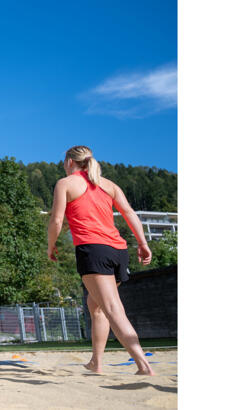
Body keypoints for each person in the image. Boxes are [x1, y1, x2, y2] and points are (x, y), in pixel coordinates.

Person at [47, 145, 154, 375]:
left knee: (113, 308)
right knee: (96, 306)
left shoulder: (65, 184)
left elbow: (56, 221)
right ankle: (96, 362)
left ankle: (143, 365)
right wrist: (143, 243)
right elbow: (129, 213)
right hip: (118, 250)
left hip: (93, 250)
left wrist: (51, 245)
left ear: (69, 162)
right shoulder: (108, 185)